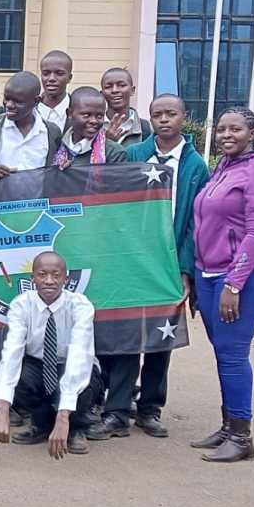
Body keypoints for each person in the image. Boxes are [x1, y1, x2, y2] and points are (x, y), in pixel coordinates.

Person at [103, 93, 210, 439]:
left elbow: (195, 223)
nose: (164, 120)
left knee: (161, 339)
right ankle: (117, 409)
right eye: (158, 114)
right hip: (133, 261)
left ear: (184, 117)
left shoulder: (195, 165)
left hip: (168, 263)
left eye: (171, 114)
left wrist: (185, 270)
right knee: (126, 337)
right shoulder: (135, 154)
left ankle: (150, 408)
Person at [189, 107, 254, 463]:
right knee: (223, 351)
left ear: (253, 133)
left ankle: (242, 437)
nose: (227, 135)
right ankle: (229, 426)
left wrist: (234, 283)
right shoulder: (225, 167)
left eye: (236, 129)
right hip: (210, 273)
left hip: (245, 276)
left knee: (232, 353)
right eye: (222, 129)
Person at [0, 251, 103, 458]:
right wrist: (2, 409)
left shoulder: (81, 306)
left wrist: (63, 417)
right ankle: (42, 424)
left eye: (56, 275)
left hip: (69, 364)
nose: (49, 281)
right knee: (19, 376)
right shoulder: (21, 305)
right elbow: (12, 352)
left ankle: (76, 428)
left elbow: (79, 356)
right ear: (32, 278)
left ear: (66, 279)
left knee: (86, 380)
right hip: (38, 364)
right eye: (42, 275)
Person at [0, 72, 62, 178]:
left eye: (18, 101)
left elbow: (57, 168)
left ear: (36, 101)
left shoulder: (52, 132)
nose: (9, 105)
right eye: (7, 98)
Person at [49, 86, 128, 168]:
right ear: (69, 114)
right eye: (86, 115)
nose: (94, 121)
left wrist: (73, 172)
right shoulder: (55, 146)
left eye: (99, 116)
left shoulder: (114, 152)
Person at [102, 67, 153, 145]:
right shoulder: (94, 127)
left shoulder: (147, 128)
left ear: (132, 90)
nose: (115, 90)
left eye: (122, 85)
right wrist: (106, 143)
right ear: (102, 94)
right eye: (108, 87)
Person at [37, 50, 73, 129]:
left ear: (69, 78)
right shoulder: (29, 110)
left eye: (59, 74)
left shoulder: (77, 110)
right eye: (46, 74)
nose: (51, 78)